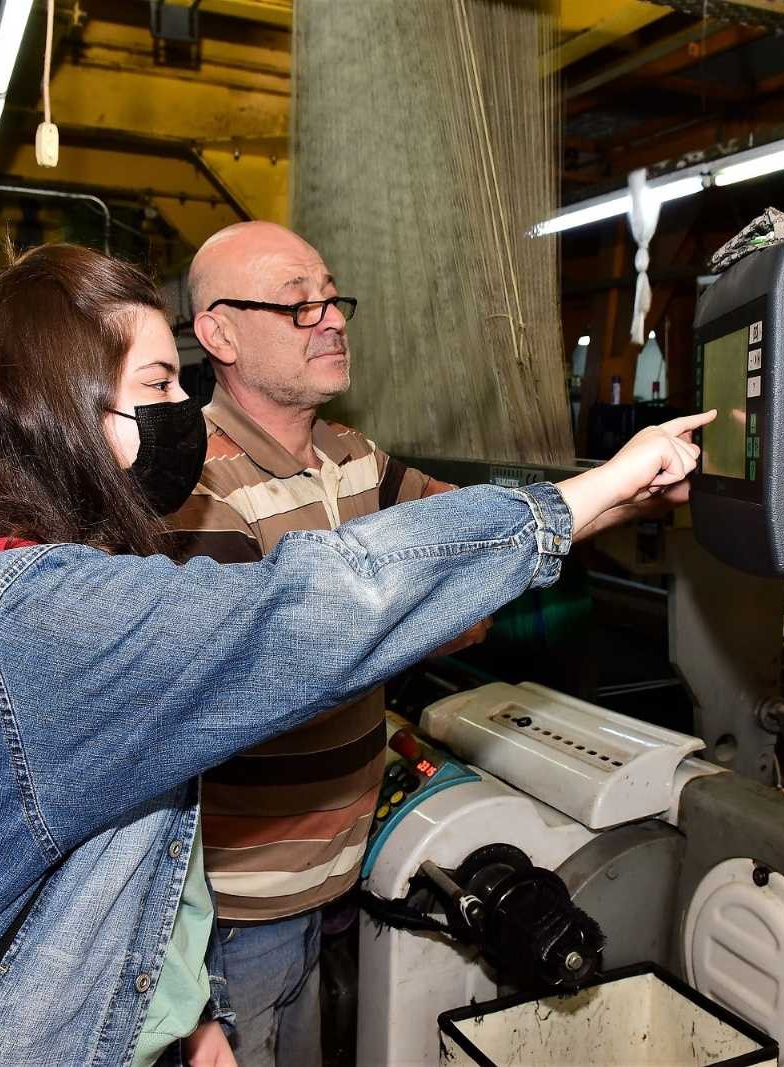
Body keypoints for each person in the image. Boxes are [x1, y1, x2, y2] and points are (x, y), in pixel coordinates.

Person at [0, 243, 712, 1067]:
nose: (180, 411)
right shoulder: (42, 613)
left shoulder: (28, 579)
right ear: (60, 416)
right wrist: (588, 490)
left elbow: (98, 848)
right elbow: (305, 615)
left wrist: (184, 1010)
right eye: (159, 383)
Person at [174, 221, 659, 1066]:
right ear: (220, 333)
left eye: (333, 298)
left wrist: (637, 489)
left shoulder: (351, 456)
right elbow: (289, 668)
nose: (331, 318)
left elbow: (483, 542)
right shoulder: (199, 487)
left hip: (333, 873)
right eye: (298, 303)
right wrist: (427, 613)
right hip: (241, 905)